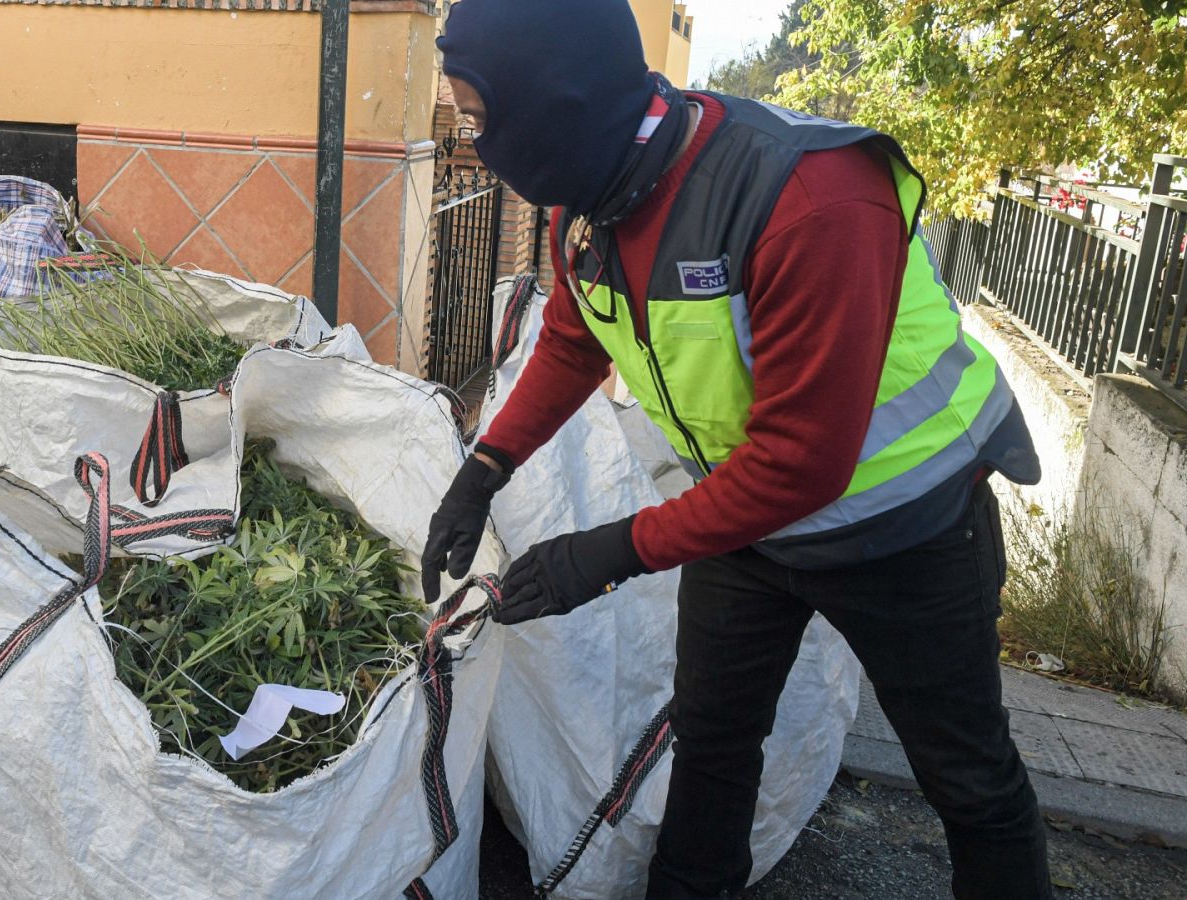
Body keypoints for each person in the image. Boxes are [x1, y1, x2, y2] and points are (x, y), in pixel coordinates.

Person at [420, 1, 1052, 897]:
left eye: (482, 120)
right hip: (746, 524)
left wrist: (607, 554)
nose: (477, 146)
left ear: (556, 105)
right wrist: (485, 468)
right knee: (713, 744)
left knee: (969, 780)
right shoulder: (593, 194)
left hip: (907, 526)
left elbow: (803, 461)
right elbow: (575, 336)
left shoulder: (807, 198)